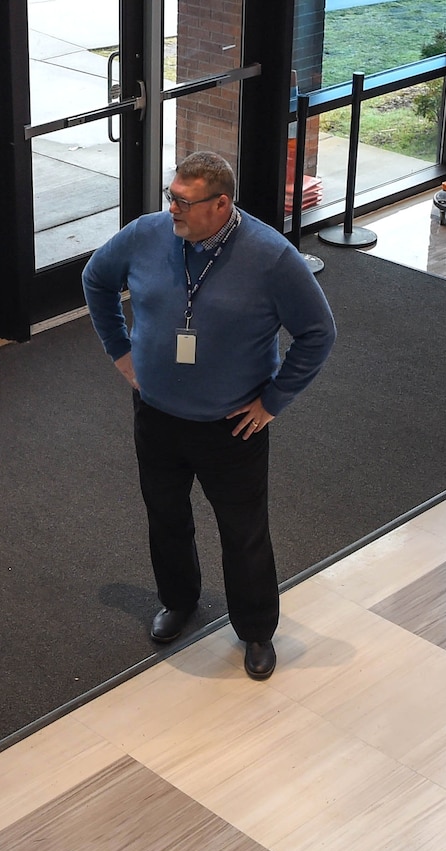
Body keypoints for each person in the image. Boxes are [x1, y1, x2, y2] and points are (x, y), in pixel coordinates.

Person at [82, 151, 336, 680]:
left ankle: (257, 630)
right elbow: (96, 279)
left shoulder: (271, 257)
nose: (171, 208)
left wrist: (273, 401)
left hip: (231, 427)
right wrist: (120, 350)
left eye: (183, 201)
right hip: (156, 415)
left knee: (244, 532)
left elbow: (318, 333)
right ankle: (179, 601)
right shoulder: (145, 235)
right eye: (170, 196)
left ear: (221, 204)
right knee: (166, 518)